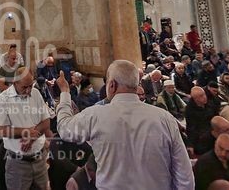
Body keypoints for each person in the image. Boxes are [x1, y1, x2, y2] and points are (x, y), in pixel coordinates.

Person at [56, 60, 194, 189]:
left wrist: (65, 93)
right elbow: (184, 172)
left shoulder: (95, 115)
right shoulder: (164, 118)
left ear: (112, 85)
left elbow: (64, 128)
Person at [0, 67, 51, 190]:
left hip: (40, 159)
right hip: (17, 163)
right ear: (15, 83)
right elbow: (2, 131)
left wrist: (32, 137)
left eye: (31, 85)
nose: (28, 90)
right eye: (24, 87)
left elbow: (46, 122)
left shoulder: (35, 93)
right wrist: (25, 132)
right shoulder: (3, 99)